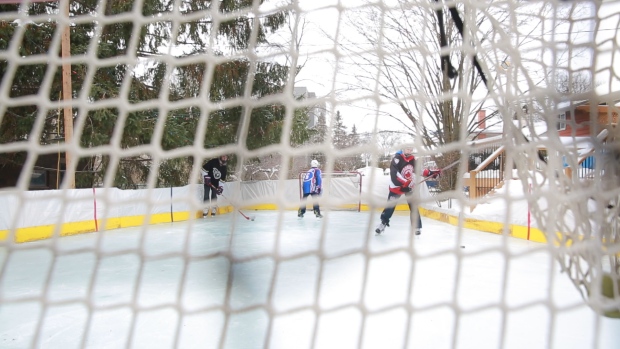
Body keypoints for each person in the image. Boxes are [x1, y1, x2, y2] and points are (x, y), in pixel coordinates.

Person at [375, 147, 441, 235]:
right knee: (390, 206)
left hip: (408, 186)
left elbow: (419, 170)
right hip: (397, 186)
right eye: (407, 149)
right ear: (403, 149)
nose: (409, 151)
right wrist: (405, 182)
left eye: (411, 149)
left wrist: (432, 174)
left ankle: (416, 226)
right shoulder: (397, 159)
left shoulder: (412, 159)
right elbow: (395, 173)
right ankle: (383, 224)